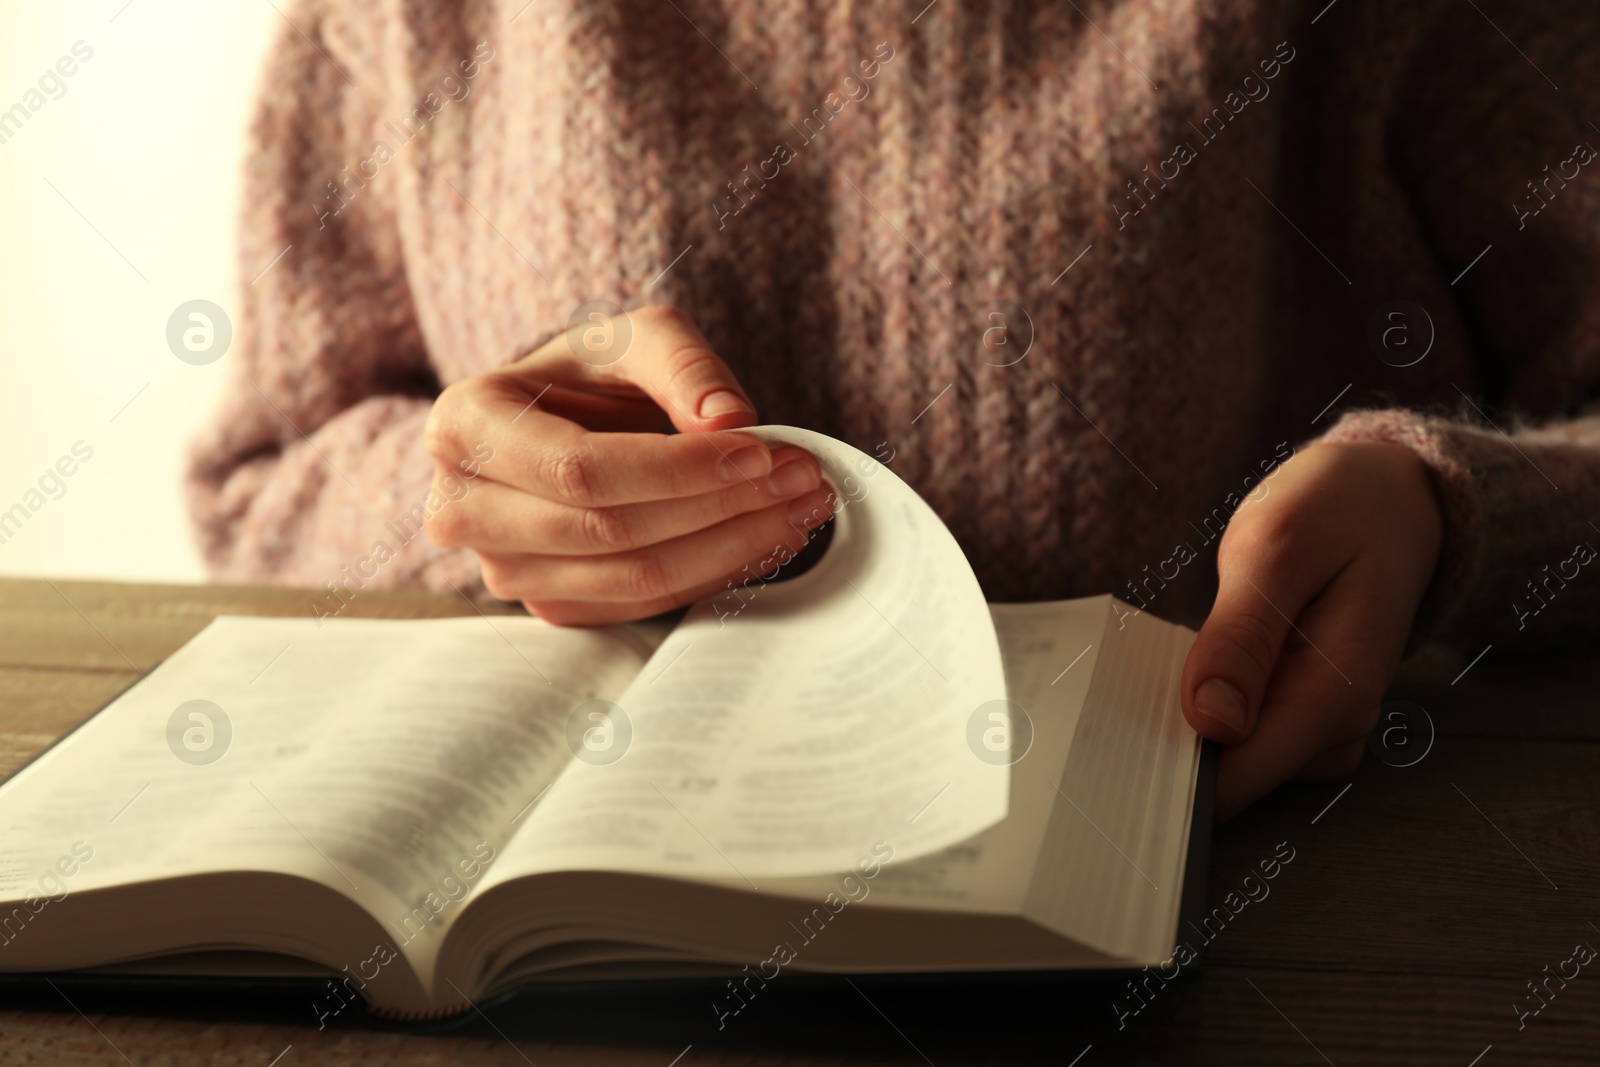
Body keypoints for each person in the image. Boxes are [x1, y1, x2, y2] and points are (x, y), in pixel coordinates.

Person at [187, 0, 1600, 821]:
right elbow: (262, 484)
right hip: (571, 937)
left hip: (1269, 916)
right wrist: (464, 503)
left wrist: (1450, 507)